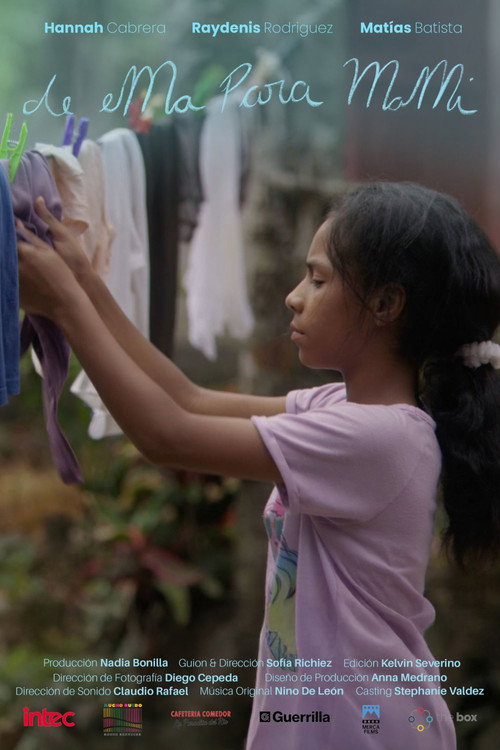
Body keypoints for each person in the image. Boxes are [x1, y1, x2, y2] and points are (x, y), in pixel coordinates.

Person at [17, 181, 500, 749]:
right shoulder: (339, 408)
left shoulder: (380, 437)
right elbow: (188, 399)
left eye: (318, 280)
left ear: (384, 304)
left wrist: (65, 305)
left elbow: (166, 435)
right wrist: (84, 284)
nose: (294, 297)